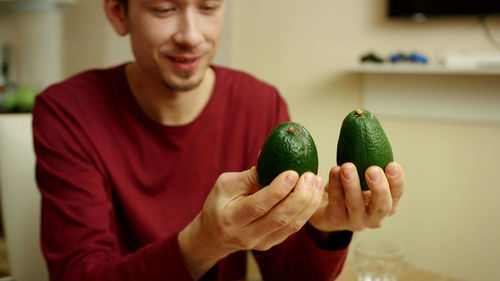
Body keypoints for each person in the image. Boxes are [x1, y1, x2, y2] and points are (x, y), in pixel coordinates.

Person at [32, 0, 405, 280]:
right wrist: (203, 242)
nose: (191, 36)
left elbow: (289, 275)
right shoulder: (67, 112)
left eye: (209, 6)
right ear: (118, 13)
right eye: (164, 9)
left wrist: (323, 229)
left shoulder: (260, 103)